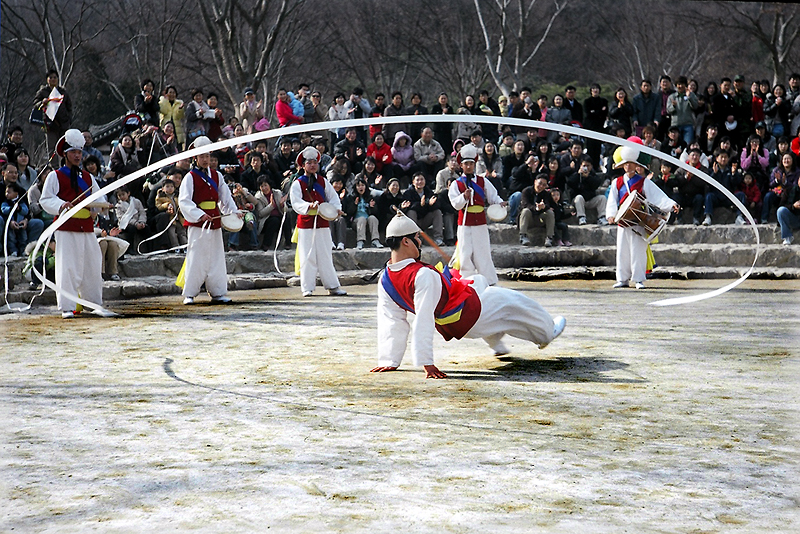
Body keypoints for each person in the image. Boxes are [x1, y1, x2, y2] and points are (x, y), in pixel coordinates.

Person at [371, 212, 566, 379]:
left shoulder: (385, 279)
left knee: (479, 282)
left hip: (456, 319)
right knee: (515, 301)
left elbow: (392, 321)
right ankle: (548, 332)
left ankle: (496, 343)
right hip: (470, 314)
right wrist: (426, 362)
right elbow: (423, 318)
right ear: (406, 241)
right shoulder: (422, 275)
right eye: (417, 238)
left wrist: (390, 360)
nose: (420, 242)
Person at [38, 129, 108, 318]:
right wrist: (62, 205)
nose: (77, 156)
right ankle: (67, 306)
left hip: (86, 226)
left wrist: (100, 207)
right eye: (73, 152)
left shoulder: (87, 177)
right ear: (66, 154)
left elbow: (99, 195)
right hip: (66, 227)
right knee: (67, 266)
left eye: (79, 152)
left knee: (92, 264)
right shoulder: (55, 176)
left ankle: (93, 302)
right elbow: (46, 200)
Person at [177, 136, 240, 305]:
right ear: (195, 158)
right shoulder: (190, 177)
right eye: (202, 156)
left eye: (207, 156)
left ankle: (218, 292)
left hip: (214, 220)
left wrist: (234, 213)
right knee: (196, 257)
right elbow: (184, 201)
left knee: (216, 258)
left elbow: (225, 199)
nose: (205, 160)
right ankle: (189, 293)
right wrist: (199, 214)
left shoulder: (217, 175)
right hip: (199, 223)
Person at [606, 146, 679, 289]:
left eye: (631, 163)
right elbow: (612, 200)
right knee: (622, 251)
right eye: (625, 163)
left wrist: (671, 205)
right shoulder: (617, 182)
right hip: (623, 222)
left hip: (639, 221)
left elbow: (657, 196)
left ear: (636, 165)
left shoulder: (643, 181)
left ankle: (638, 279)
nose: (628, 166)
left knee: (638, 251)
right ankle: (622, 279)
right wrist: (611, 215)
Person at [290, 146, 347, 297]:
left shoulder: (323, 181)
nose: (313, 165)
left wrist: (336, 209)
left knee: (325, 255)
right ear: (303, 165)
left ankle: (333, 286)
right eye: (309, 162)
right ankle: (307, 287)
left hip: (322, 222)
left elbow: (333, 198)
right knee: (307, 255)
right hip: (306, 223)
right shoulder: (298, 183)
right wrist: (308, 206)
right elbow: (295, 202)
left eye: (315, 162)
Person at [448, 145, 506, 284]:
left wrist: (499, 202)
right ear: (461, 165)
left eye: (471, 164)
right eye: (466, 164)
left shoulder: (482, 181)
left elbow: (493, 196)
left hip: (480, 221)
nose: (469, 166)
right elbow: (455, 203)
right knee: (464, 251)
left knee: (483, 251)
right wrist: (464, 197)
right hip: (464, 222)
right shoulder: (456, 184)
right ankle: (466, 279)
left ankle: (489, 279)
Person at [33, 69, 72, 161]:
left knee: (65, 146)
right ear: (47, 79)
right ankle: (54, 166)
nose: (53, 79)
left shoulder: (63, 91)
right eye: (50, 77)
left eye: (55, 77)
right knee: (52, 147)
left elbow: (69, 106)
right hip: (49, 124)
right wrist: (42, 103)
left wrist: (69, 119)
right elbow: (35, 103)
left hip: (63, 123)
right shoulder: (43, 91)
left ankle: (65, 164)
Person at [703, 148, 746, 226]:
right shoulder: (711, 170)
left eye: (725, 157)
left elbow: (736, 183)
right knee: (709, 196)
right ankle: (708, 217)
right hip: (716, 197)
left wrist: (733, 174)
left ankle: (739, 217)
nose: (723, 159)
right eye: (721, 157)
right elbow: (708, 185)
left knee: (741, 195)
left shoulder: (731, 169)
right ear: (717, 158)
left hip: (728, 197)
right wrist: (714, 174)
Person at [403, 172, 444, 246]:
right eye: (417, 180)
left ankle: (438, 238)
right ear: (413, 182)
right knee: (411, 212)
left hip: (425, 220)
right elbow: (409, 206)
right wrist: (420, 204)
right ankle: (414, 238)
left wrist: (431, 204)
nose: (420, 182)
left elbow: (438, 204)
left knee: (437, 212)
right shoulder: (408, 193)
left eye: (422, 179)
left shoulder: (428, 192)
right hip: (413, 220)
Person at [566, 156, 608, 226]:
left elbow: (596, 184)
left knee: (602, 198)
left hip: (590, 200)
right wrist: (578, 175)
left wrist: (588, 177)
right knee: (579, 197)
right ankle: (581, 217)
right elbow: (570, 182)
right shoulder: (575, 175)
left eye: (588, 166)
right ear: (580, 166)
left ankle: (602, 217)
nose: (586, 168)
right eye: (584, 165)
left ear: (591, 166)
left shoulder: (593, 175)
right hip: (578, 201)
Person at [518, 175, 556, 247]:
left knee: (550, 212)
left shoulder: (546, 194)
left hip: (539, 218)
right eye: (540, 183)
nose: (541, 186)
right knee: (526, 211)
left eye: (544, 185)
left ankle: (549, 237)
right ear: (535, 182)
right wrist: (536, 208)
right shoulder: (526, 191)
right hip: (528, 219)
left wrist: (543, 206)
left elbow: (548, 205)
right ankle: (523, 235)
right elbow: (525, 204)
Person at [777, 170, 800, 245]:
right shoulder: (790, 190)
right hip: (794, 219)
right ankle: (787, 236)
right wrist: (793, 206)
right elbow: (781, 205)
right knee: (781, 210)